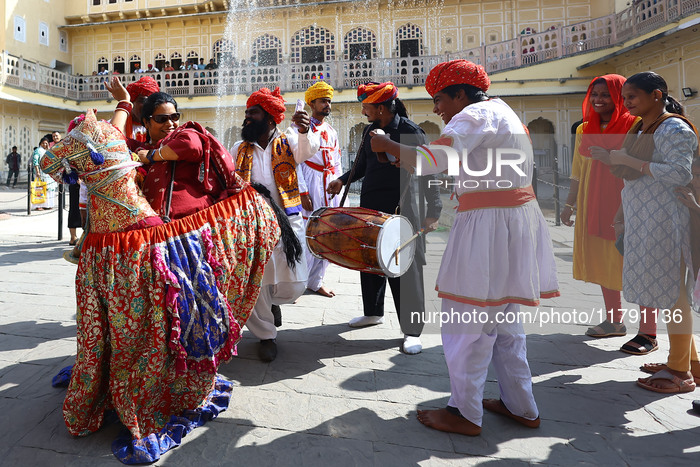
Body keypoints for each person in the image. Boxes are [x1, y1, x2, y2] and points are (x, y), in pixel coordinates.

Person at [372, 59, 559, 434]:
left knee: (466, 320)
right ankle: (520, 405)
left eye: (440, 99)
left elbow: (432, 161)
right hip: (515, 219)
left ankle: (464, 412)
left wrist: (387, 142)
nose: (437, 109)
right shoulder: (503, 111)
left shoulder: (472, 116)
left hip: (488, 224)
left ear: (461, 94)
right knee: (505, 324)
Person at [593, 71, 699, 393]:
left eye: (632, 97)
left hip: (669, 219)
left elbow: (680, 171)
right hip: (647, 220)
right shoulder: (643, 126)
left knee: (674, 294)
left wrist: (630, 162)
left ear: (656, 95)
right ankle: (688, 361)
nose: (626, 104)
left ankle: (680, 373)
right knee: (668, 294)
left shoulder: (673, 127)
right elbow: (633, 173)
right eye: (624, 99)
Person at [327, 82, 442, 355]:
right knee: (371, 260)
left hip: (404, 209)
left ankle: (412, 331)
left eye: (366, 106)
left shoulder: (411, 131)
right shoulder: (369, 130)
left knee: (407, 270)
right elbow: (364, 166)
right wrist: (342, 180)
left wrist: (434, 211)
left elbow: (430, 171)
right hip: (371, 207)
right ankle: (373, 312)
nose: (363, 111)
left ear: (380, 108)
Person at [560, 75, 659, 352]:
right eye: (594, 94)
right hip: (594, 199)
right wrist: (569, 204)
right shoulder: (585, 128)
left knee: (636, 261)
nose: (599, 100)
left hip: (628, 198)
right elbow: (578, 170)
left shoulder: (636, 125)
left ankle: (648, 332)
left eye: (605, 94)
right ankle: (614, 321)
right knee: (604, 259)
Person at [231, 87, 320, 362]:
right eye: (246, 112)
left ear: (270, 119)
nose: (247, 118)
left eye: (253, 113)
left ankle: (273, 304)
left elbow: (307, 150)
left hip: (287, 219)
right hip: (252, 222)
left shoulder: (289, 141)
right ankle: (266, 335)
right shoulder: (238, 148)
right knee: (256, 281)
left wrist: (304, 131)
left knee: (295, 281)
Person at [297, 81, 342, 298]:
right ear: (311, 103)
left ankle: (316, 281)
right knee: (307, 234)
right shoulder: (302, 129)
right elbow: (296, 162)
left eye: (329, 101)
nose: (327, 105)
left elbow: (337, 161)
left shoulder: (331, 130)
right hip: (311, 183)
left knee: (326, 234)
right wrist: (303, 192)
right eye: (323, 101)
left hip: (329, 185)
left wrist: (340, 184)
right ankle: (297, 284)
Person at [32, 137, 57, 210]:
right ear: (40, 143)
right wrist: (37, 171)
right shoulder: (38, 150)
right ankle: (38, 205)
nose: (45, 144)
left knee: (49, 190)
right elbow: (35, 161)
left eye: (46, 143)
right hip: (41, 173)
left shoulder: (47, 151)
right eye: (43, 143)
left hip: (48, 174)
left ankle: (47, 205)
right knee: (40, 189)